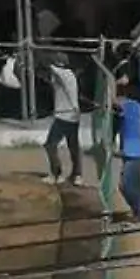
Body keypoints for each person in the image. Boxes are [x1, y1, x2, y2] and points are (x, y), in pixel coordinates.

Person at [44, 54, 83, 186]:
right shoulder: (69, 74)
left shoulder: (64, 74)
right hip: (72, 116)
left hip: (64, 116)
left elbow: (49, 66)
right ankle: (77, 175)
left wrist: (32, 49)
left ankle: (57, 174)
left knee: (50, 144)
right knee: (73, 147)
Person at [113, 78, 140, 222]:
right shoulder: (135, 107)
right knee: (135, 184)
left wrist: (113, 84)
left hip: (134, 152)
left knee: (126, 185)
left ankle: (139, 211)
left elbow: (116, 105)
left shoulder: (128, 107)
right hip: (135, 152)